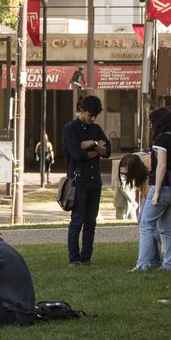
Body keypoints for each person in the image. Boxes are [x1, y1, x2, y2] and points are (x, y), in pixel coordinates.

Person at [132, 108, 171, 272]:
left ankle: (142, 264)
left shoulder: (161, 140)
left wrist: (155, 193)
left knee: (146, 225)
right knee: (167, 228)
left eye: (152, 122)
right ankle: (168, 264)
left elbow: (161, 166)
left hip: (160, 188)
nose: (150, 125)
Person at [62, 94, 110, 267]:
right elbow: (77, 155)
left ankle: (86, 257)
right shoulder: (70, 129)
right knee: (77, 221)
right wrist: (98, 149)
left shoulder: (96, 129)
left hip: (94, 181)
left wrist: (93, 144)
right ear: (81, 110)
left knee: (91, 222)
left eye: (95, 116)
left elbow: (108, 151)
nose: (92, 119)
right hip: (78, 181)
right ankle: (74, 258)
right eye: (90, 115)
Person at [119, 153, 171, 268]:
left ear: (134, 171)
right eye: (121, 173)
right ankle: (155, 259)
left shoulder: (147, 173)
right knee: (148, 224)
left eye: (126, 173)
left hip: (160, 194)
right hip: (156, 195)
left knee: (154, 228)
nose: (123, 176)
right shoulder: (139, 171)